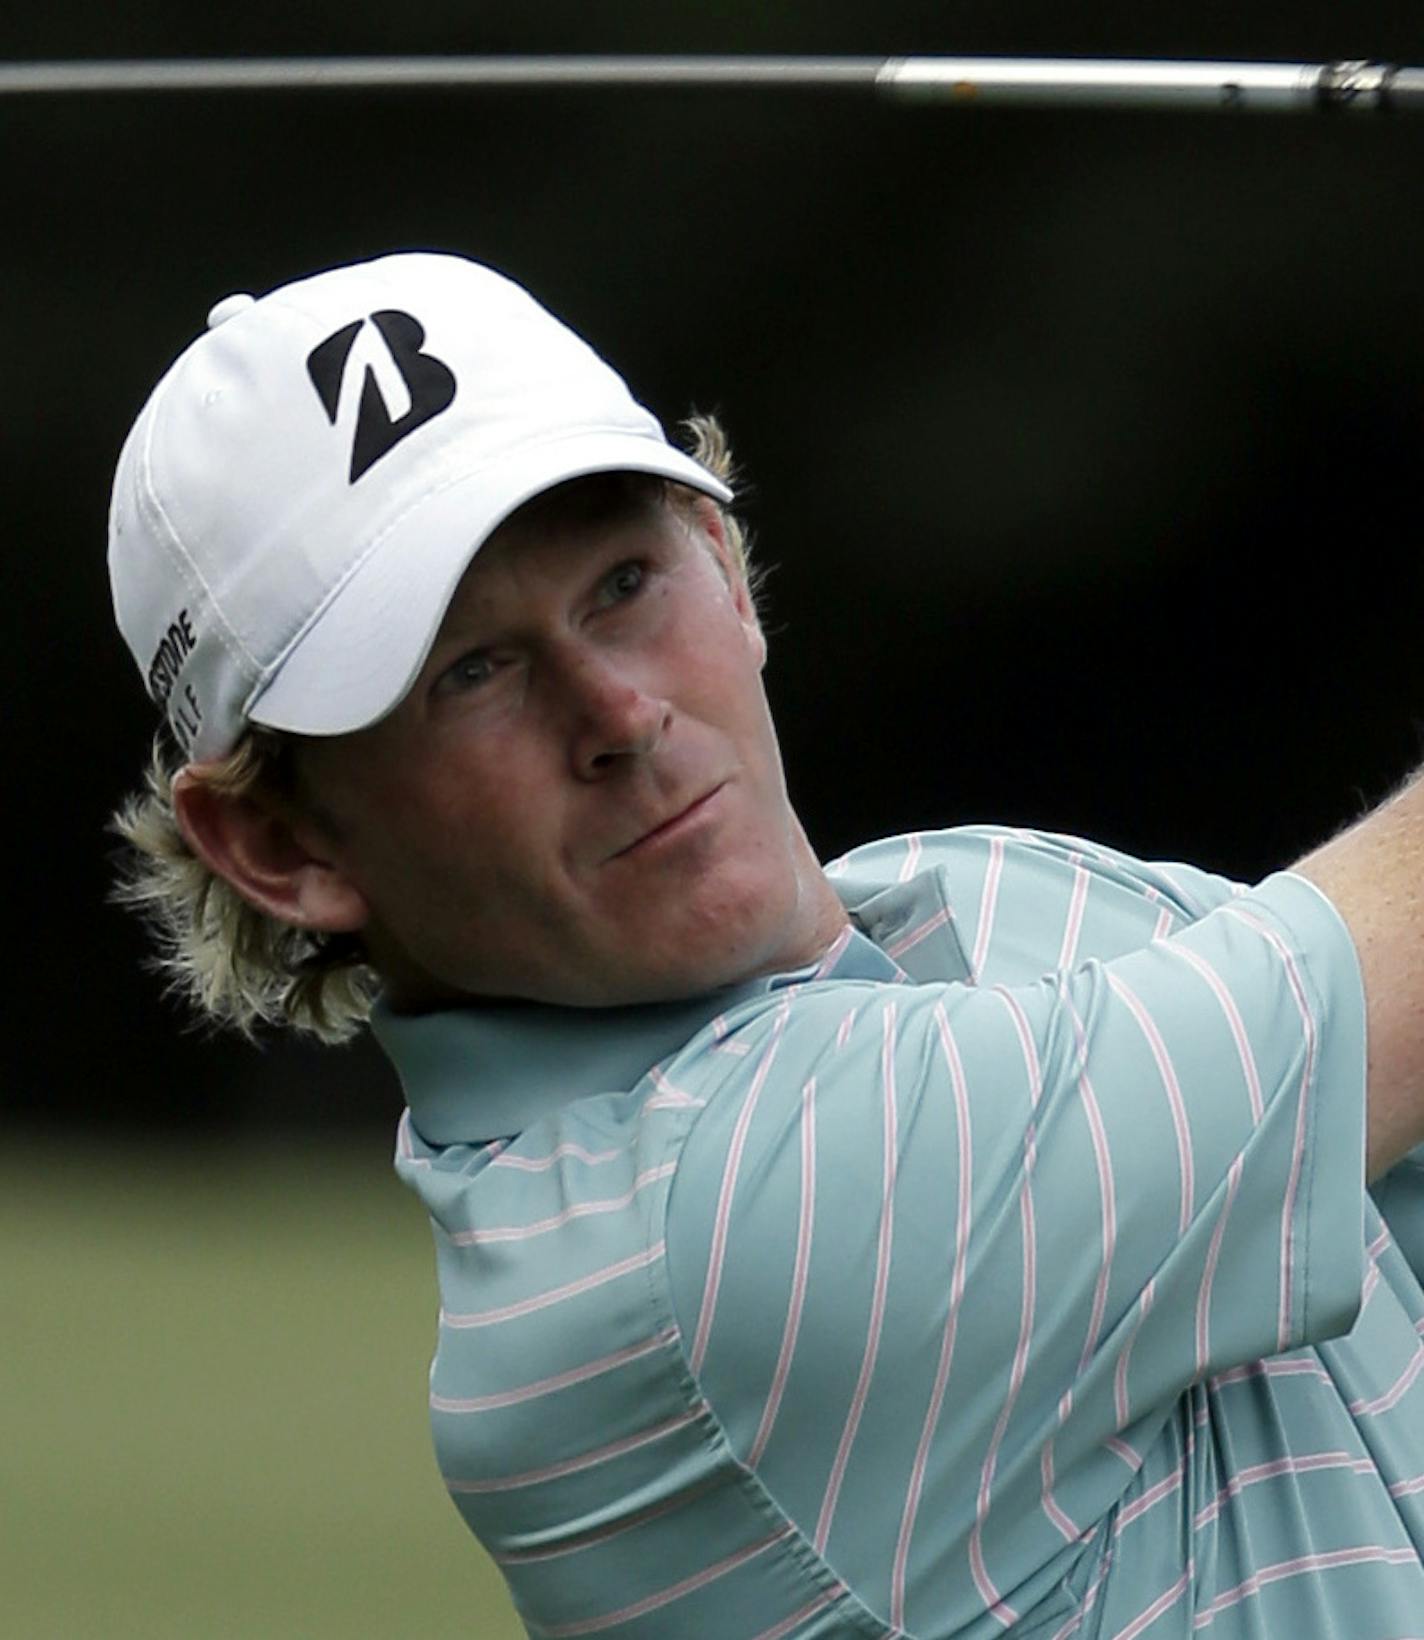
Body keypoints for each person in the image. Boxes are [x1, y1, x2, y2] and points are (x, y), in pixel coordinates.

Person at [108, 251, 1423, 1638]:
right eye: (469, 674)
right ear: (281, 846)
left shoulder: (981, 888)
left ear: (725, 567)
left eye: (623, 582)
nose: (616, 711)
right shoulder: (701, 1244)